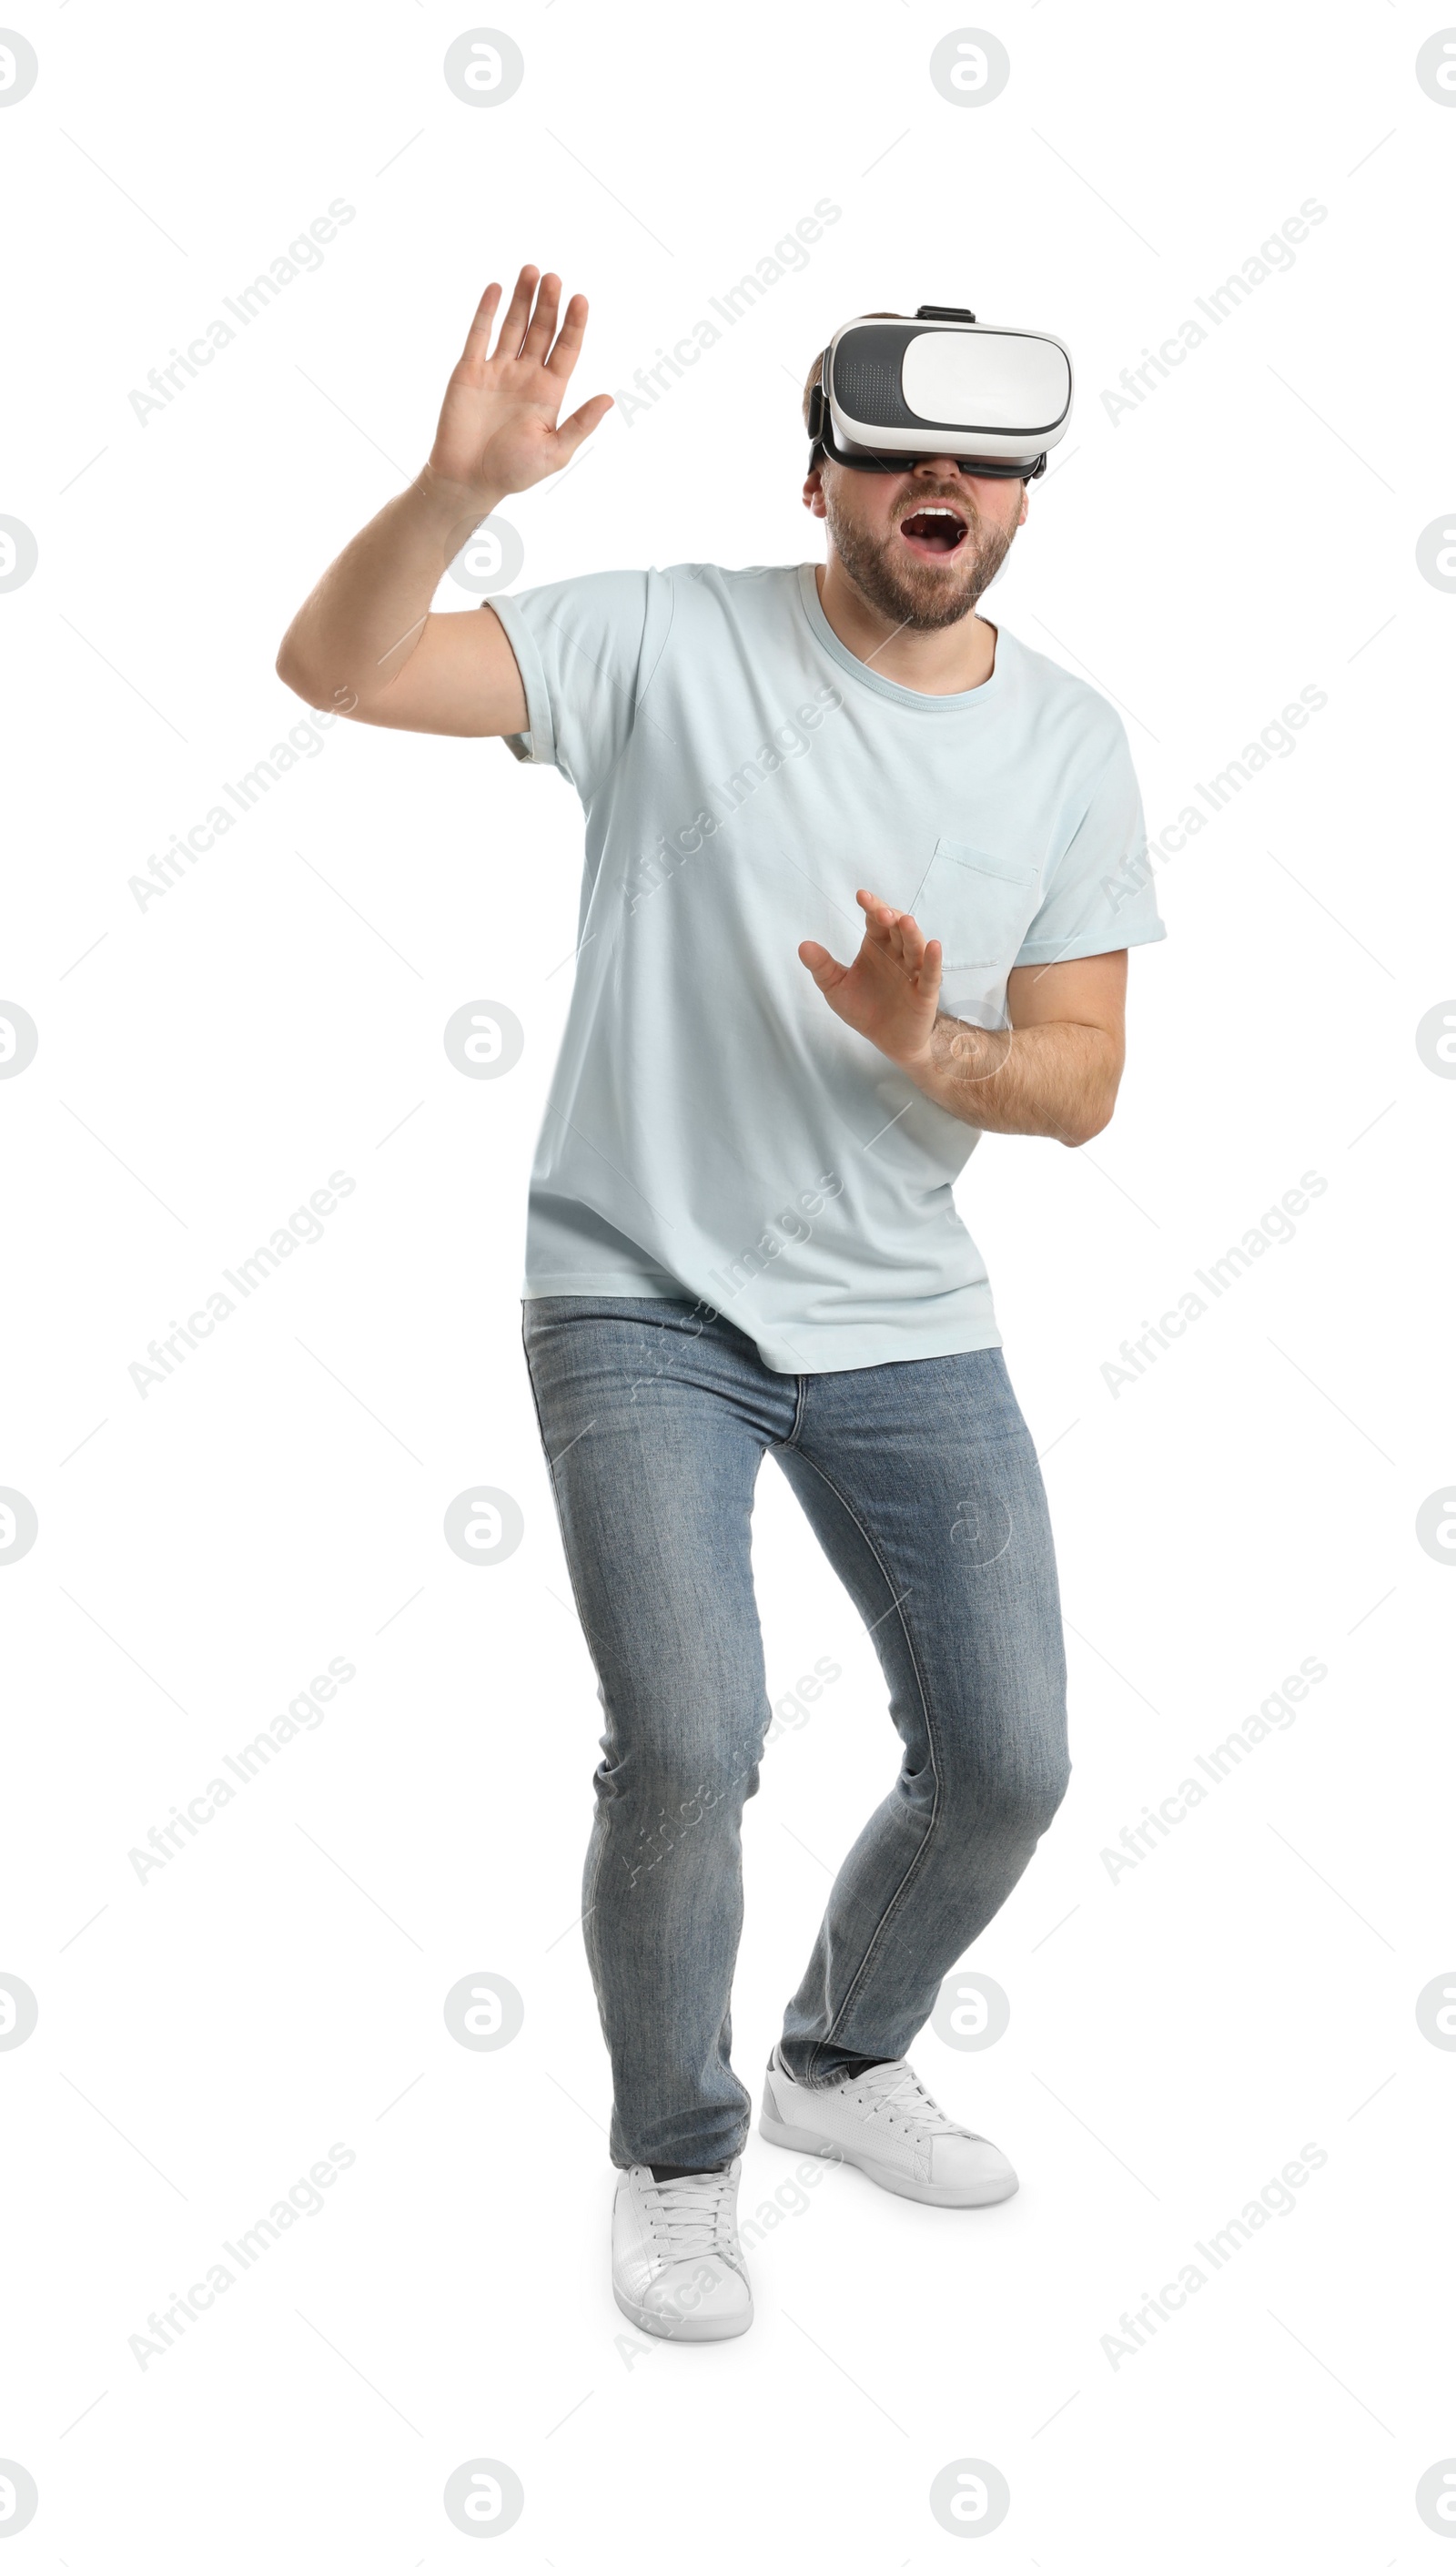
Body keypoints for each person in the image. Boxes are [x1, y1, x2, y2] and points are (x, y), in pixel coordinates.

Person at [278, 266, 1166, 2344]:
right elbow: (338, 668)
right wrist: (445, 489)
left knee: (1009, 1762)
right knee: (686, 1743)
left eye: (983, 457)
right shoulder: (662, 634)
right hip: (635, 1289)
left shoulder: (1068, 743)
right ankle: (676, 2162)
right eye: (897, 449)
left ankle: (836, 2068)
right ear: (825, 479)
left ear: (1020, 503)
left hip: (903, 1313)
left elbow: (1080, 1086)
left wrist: (917, 1044)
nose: (940, 480)